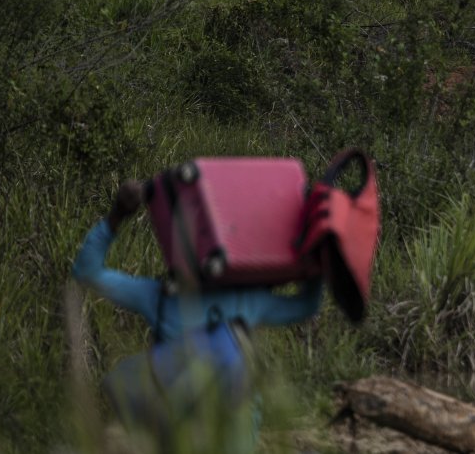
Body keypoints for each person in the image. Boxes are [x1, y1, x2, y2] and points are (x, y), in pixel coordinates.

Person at [73, 181, 325, 454]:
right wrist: (318, 252)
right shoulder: (244, 301)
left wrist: (117, 215)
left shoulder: (159, 298)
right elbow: (305, 305)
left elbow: (88, 273)